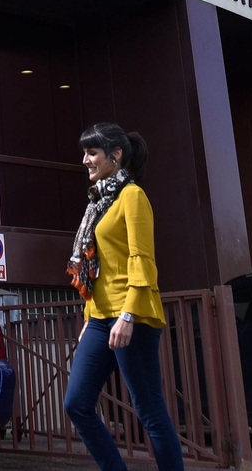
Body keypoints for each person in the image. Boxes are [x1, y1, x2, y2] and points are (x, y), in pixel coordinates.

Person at [63, 122, 184, 471]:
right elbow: (94, 265)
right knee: (77, 403)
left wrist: (128, 315)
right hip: (100, 319)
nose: (85, 160)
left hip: (134, 317)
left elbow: (141, 260)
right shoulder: (98, 202)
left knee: (149, 411)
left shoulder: (132, 196)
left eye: (92, 153)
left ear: (115, 156)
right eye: (84, 153)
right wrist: (89, 316)